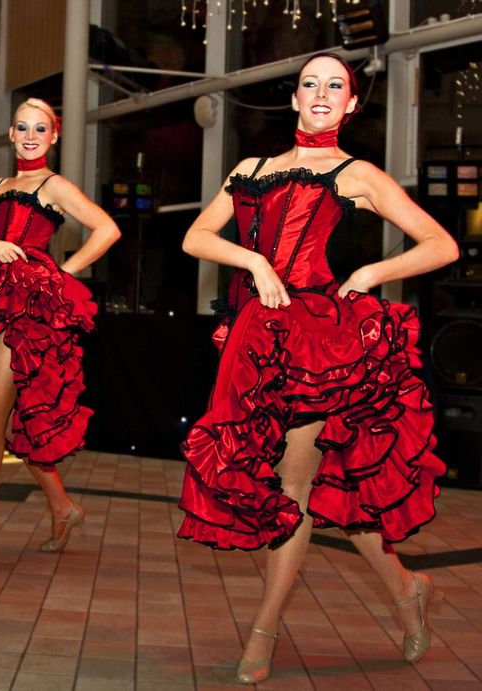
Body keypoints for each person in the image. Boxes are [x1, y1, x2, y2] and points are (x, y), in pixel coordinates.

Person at [177, 53, 458, 684]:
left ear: (351, 105)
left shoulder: (356, 173)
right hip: (251, 338)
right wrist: (254, 264)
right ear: (296, 99)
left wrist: (369, 274)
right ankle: (407, 587)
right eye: (312, 83)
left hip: (315, 344)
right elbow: (196, 238)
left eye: (337, 85)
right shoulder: (251, 169)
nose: (323, 92)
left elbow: (443, 244)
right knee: (331, 489)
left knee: (293, 488)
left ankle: (263, 633)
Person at [0, 98, 120, 579]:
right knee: (12, 420)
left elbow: (108, 229)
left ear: (54, 136)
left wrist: (61, 272)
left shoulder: (54, 185)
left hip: (24, 312)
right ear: (10, 132)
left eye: (39, 128)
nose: (29, 135)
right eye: (22, 126)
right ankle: (63, 507)